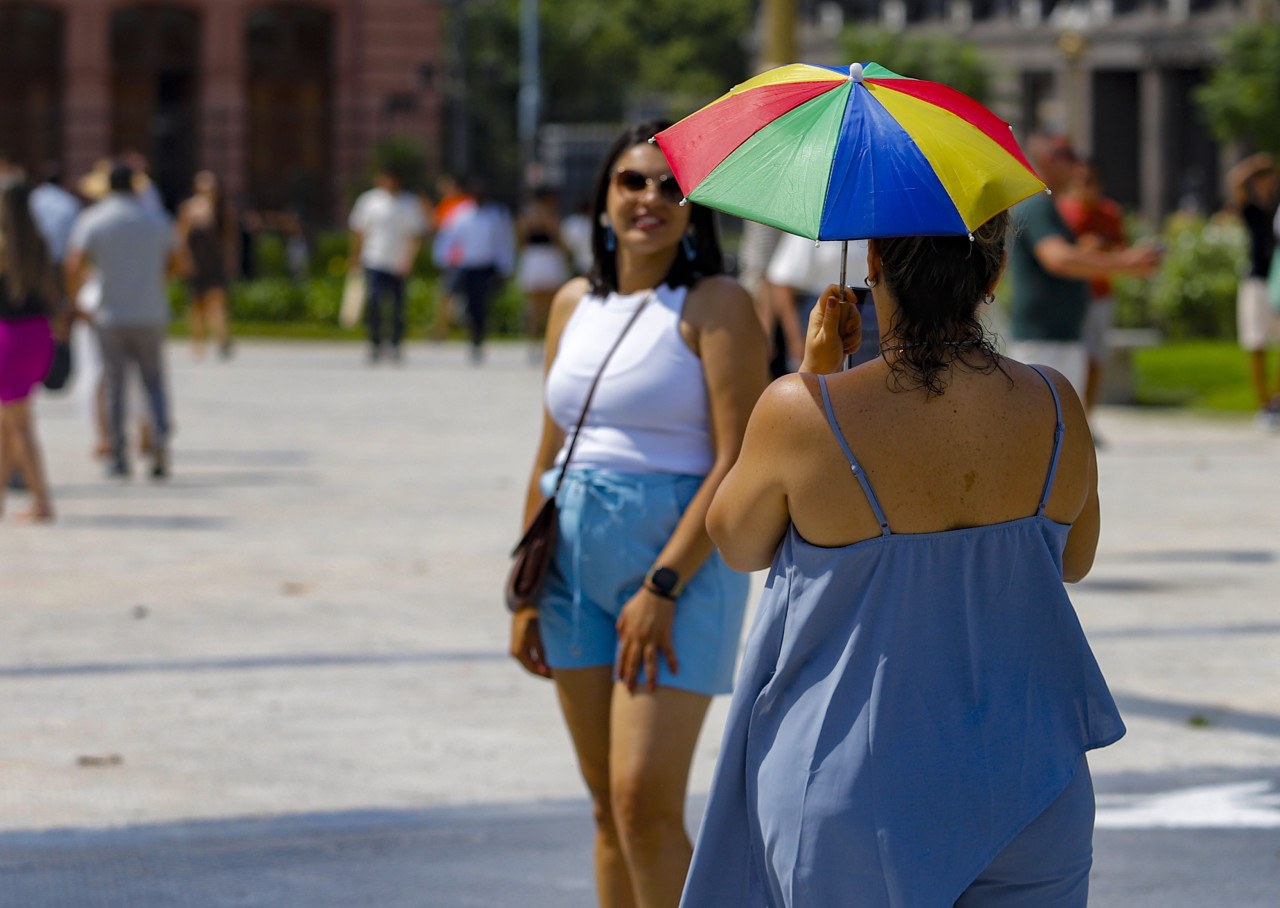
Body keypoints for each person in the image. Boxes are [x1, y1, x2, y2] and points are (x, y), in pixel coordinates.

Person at [684, 209, 1126, 908]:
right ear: (995, 272)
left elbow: (736, 542)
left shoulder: (802, 411)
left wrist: (813, 377)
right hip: (1032, 779)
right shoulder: (1054, 401)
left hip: (857, 784)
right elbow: (1075, 558)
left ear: (873, 267)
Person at [509, 120, 770, 908]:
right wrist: (524, 590)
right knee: (605, 810)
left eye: (671, 185)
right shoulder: (569, 305)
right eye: (633, 181)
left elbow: (736, 459)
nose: (650, 197)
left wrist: (662, 585)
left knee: (643, 806)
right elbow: (551, 450)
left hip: (673, 572)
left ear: (696, 210)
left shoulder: (717, 303)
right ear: (603, 200)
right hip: (569, 567)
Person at [1007, 134, 1159, 399]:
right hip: (1043, 342)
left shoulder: (1050, 207)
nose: (1076, 164)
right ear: (1046, 160)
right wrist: (1125, 264)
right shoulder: (1035, 206)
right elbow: (1059, 259)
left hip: (1058, 340)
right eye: (1068, 155)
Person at [65, 162, 177, 479]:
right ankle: (159, 442)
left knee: (115, 384)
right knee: (153, 382)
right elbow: (179, 261)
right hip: (150, 311)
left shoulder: (94, 220)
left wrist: (77, 300)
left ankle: (118, 454)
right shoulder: (156, 219)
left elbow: (73, 265)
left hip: (110, 312)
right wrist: (155, 281)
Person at [0, 179, 58, 521]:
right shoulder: (38, 244)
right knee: (8, 424)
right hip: (37, 335)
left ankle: (42, 502)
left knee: (19, 425)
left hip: (8, 337)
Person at [1057, 158, 1127, 414]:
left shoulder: (1109, 213)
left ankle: (1088, 416)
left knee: (1095, 357)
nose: (1085, 186)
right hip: (1069, 295)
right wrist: (1082, 249)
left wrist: (1101, 248)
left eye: (1090, 180)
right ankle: (1066, 414)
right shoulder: (1063, 211)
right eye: (1080, 180)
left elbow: (1122, 250)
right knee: (1071, 356)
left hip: (1099, 294)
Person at [348, 163, 427, 363]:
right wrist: (355, 256)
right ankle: (374, 342)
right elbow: (359, 231)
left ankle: (395, 344)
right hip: (373, 258)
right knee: (374, 301)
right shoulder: (369, 201)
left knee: (397, 306)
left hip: (398, 262)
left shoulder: (408, 203)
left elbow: (416, 235)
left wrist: (408, 259)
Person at [766, 233, 875, 372]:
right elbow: (782, 283)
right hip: (819, 319)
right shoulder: (815, 228)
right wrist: (795, 341)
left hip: (870, 320)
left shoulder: (879, 227)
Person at [1225, 152, 1280, 429]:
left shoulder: (1277, 208)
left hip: (1278, 281)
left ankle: (1277, 400)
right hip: (1258, 280)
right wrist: (1255, 164)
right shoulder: (1254, 210)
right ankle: (1265, 405)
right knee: (1257, 343)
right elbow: (1234, 181)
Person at [438, 177, 515, 363]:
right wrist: (446, 259)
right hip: (466, 265)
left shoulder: (497, 213)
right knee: (464, 302)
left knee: (481, 304)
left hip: (486, 265)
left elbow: (503, 242)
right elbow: (449, 238)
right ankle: (468, 332)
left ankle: (478, 339)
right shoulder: (461, 213)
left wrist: (505, 266)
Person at [176, 170, 237, 360]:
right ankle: (198, 341)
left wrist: (230, 259)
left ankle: (222, 337)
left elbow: (229, 238)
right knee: (197, 303)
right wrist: (183, 260)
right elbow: (181, 237)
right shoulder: (189, 208)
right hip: (196, 259)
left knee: (217, 300)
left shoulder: (222, 210)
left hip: (214, 260)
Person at [515, 184, 570, 352]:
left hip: (532, 257)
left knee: (533, 305)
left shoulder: (526, 215)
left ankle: (534, 341)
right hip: (547, 258)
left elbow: (519, 239)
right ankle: (547, 340)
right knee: (550, 304)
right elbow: (558, 238)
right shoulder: (549, 215)